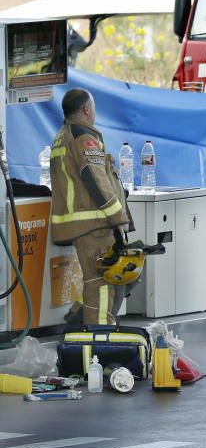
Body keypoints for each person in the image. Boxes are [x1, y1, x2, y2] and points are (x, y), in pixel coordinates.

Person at [49, 88, 132, 326]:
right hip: (94, 224)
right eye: (93, 108)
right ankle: (99, 343)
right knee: (102, 284)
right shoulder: (83, 138)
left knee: (99, 281)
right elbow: (95, 180)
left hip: (82, 223)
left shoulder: (63, 135)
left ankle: (78, 320)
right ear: (86, 109)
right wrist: (119, 217)